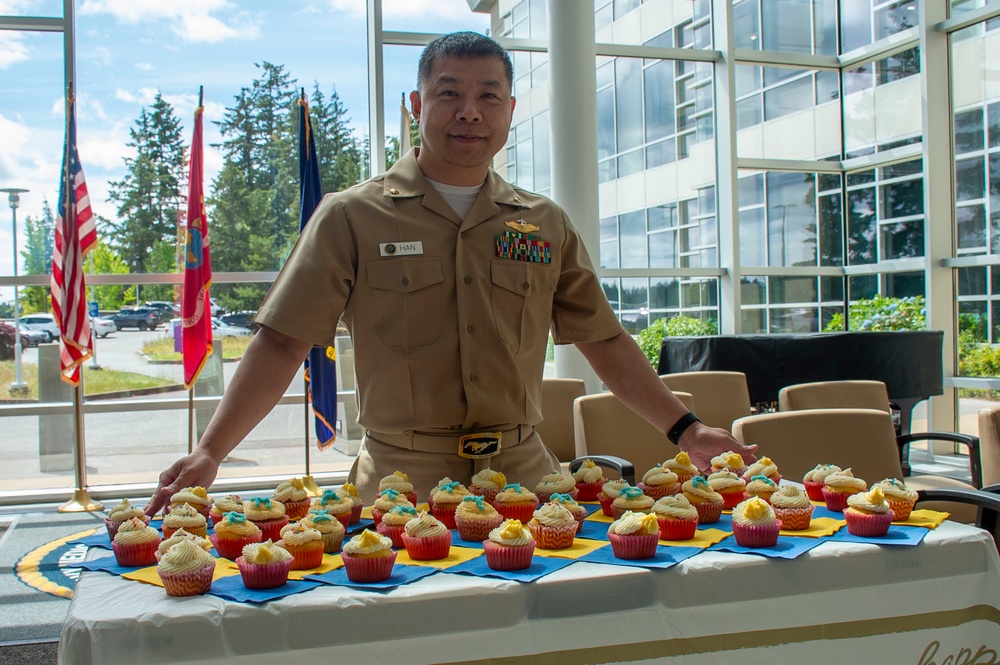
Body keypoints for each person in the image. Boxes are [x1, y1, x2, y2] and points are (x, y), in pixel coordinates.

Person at [145, 31, 755, 515]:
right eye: (448, 94)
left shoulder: (543, 223)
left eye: (489, 96)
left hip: (527, 480)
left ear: (510, 110)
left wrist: (687, 430)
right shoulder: (352, 216)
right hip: (400, 484)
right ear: (417, 104)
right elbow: (282, 341)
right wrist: (211, 452)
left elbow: (604, 340)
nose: (470, 112)